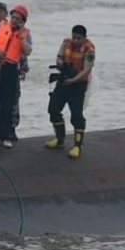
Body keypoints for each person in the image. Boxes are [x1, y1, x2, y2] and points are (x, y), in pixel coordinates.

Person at [45, 25, 95, 159]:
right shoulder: (66, 43)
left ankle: (78, 145)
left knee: (76, 115)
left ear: (84, 38)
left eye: (79, 38)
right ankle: (59, 139)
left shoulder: (89, 50)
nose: (75, 40)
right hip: (63, 81)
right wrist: (60, 63)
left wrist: (73, 80)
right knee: (53, 109)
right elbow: (59, 57)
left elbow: (87, 70)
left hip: (78, 85)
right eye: (74, 37)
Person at [0, 4, 32, 148]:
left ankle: (5, 136)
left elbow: (27, 51)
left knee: (8, 103)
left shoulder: (25, 33)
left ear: (23, 21)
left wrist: (20, 36)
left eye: (18, 19)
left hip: (11, 68)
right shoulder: (1, 26)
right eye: (13, 17)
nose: (14, 21)